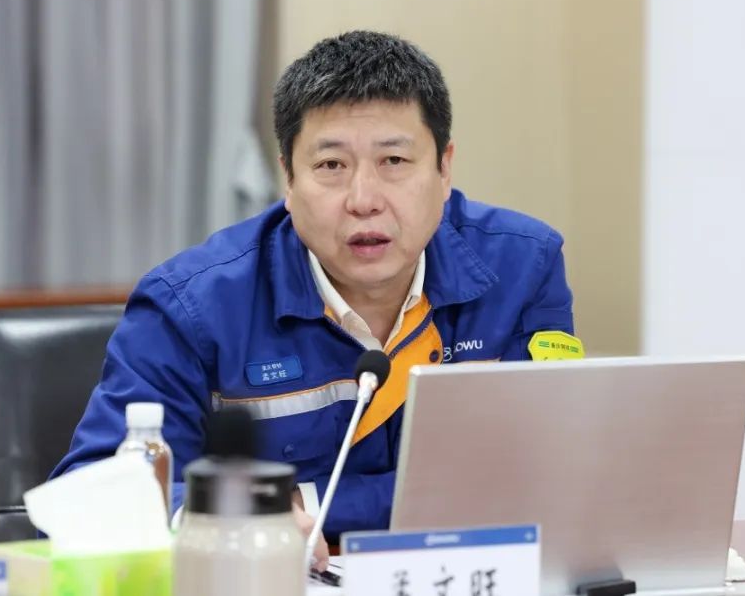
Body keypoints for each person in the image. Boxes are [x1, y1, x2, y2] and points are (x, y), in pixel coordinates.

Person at [51, 30, 577, 569]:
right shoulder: (190, 305)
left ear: (444, 169)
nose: (364, 200)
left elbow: (549, 470)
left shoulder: (523, 267)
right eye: (331, 166)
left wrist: (303, 501)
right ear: (288, 177)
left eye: (394, 160)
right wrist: (224, 516)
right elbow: (91, 494)